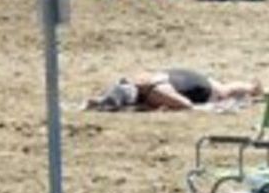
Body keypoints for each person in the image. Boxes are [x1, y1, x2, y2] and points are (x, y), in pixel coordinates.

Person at [89, 69, 261, 111]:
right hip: (181, 76)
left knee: (223, 93)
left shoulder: (155, 93)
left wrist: (149, 109)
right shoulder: (135, 81)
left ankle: (253, 89)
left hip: (201, 88)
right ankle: (253, 88)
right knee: (225, 88)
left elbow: (186, 105)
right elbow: (104, 101)